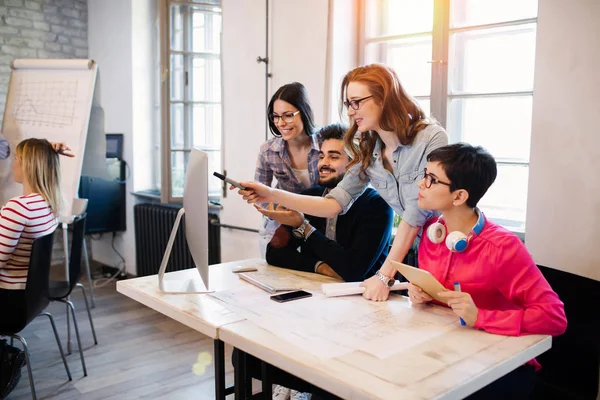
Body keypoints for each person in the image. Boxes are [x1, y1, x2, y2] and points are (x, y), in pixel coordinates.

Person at [236, 63, 448, 301]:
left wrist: (383, 277)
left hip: (451, 245)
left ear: (384, 98)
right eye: (348, 104)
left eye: (356, 102)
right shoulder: (369, 147)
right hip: (424, 253)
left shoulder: (430, 138)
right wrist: (270, 193)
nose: (350, 111)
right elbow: (332, 203)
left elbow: (414, 214)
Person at [409, 143, 567, 399]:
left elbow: (555, 318)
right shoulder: (432, 233)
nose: (421, 184)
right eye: (424, 175)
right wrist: (423, 294)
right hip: (447, 351)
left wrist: (481, 317)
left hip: (502, 366)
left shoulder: (503, 247)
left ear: (459, 196)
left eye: (432, 179)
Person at [258, 123, 393, 281]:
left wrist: (304, 227)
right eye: (321, 156)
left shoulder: (377, 205)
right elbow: (274, 252)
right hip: (317, 291)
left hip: (365, 299)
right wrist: (319, 266)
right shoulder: (310, 197)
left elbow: (353, 270)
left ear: (354, 164)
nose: (323, 163)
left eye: (333, 157)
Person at [0, 138, 63, 398]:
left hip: (8, 302)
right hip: (30, 299)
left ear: (28, 165)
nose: (12, 163)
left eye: (17, 158)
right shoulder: (49, 204)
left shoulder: (18, 207)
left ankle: (6, 356)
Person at [255, 82, 320, 257]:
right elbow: (260, 194)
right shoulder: (268, 150)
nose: (281, 123)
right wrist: (277, 210)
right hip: (279, 228)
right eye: (276, 116)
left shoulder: (325, 144)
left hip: (319, 229)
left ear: (304, 112)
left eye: (288, 115)